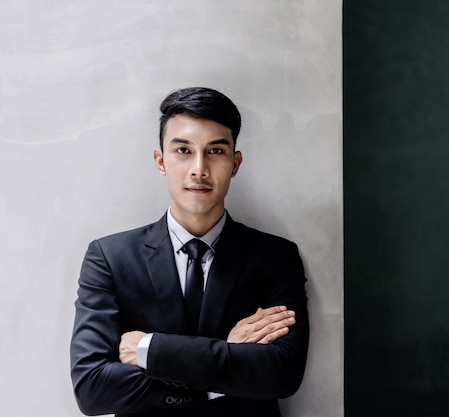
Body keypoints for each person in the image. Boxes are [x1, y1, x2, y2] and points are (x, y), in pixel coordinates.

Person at [70, 87, 309, 417]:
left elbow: (283, 373)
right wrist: (227, 359)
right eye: (183, 150)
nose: (199, 168)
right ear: (160, 160)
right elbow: (92, 389)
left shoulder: (275, 257)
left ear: (235, 163)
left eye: (215, 150)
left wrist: (151, 349)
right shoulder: (110, 258)